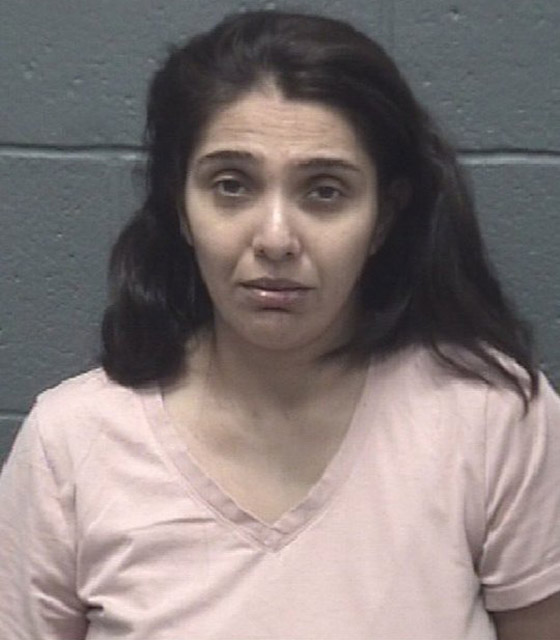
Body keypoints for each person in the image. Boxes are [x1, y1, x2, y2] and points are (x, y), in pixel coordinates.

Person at [1, 10, 559, 640]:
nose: (275, 239)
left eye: (325, 192)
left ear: (383, 217)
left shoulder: (493, 418)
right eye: (231, 185)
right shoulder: (71, 446)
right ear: (180, 206)